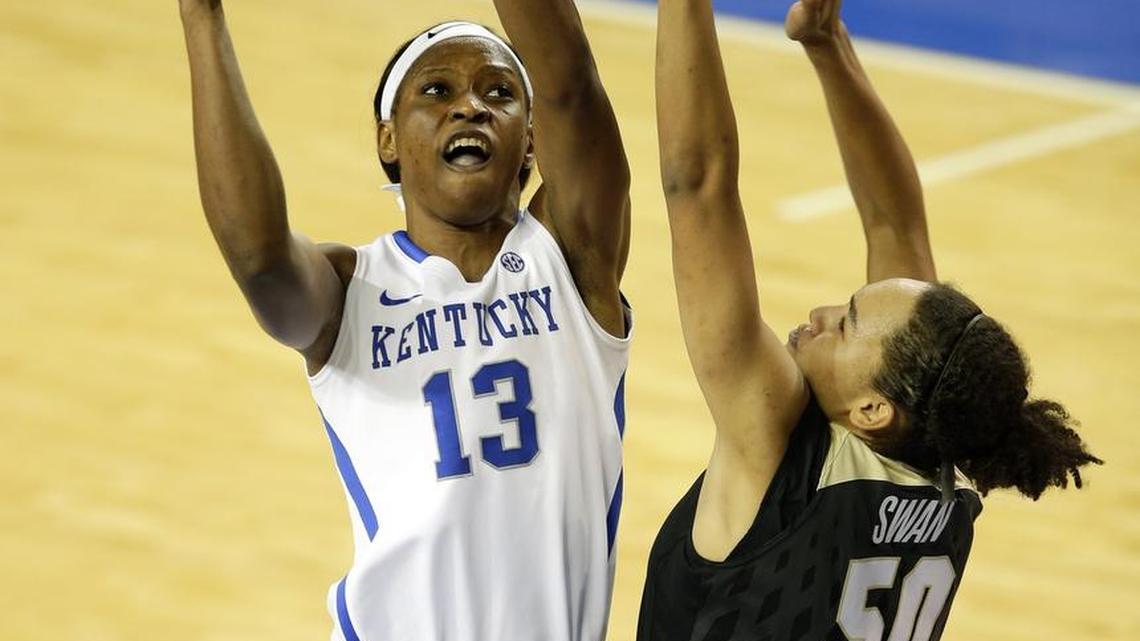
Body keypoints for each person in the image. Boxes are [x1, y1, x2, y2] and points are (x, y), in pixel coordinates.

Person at [638, 0, 1101, 639]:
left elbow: (698, 186)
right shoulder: (945, 462)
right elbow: (895, 222)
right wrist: (829, 45)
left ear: (872, 411)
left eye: (849, 322)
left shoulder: (776, 450)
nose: (822, 314)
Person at [177, 0, 631, 638]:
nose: (470, 106)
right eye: (437, 90)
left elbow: (573, 88)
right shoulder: (349, 291)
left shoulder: (571, 257)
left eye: (499, 92)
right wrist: (203, 17)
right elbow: (259, 261)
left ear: (532, 141)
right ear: (388, 139)